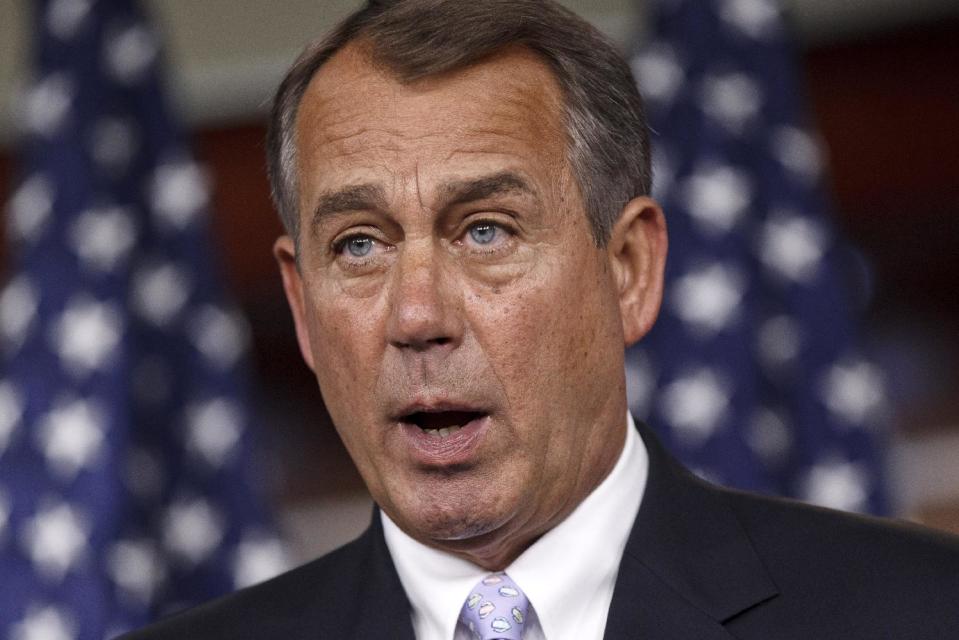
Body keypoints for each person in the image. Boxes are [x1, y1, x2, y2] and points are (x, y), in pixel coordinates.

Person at [123, 1, 959, 638]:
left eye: (485, 230)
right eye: (359, 246)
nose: (416, 316)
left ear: (627, 269)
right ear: (301, 306)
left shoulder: (918, 612)